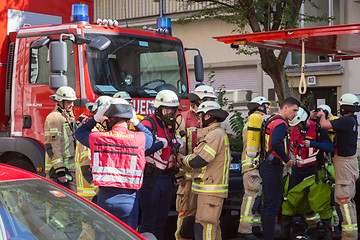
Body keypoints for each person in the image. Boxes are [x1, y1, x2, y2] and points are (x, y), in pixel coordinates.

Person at [75, 97, 154, 230]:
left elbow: (79, 133)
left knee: (102, 236)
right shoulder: (139, 139)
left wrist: (95, 119)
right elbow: (150, 138)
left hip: (105, 199)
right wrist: (136, 122)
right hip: (129, 201)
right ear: (128, 119)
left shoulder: (98, 137)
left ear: (109, 119)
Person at [177, 101, 230, 240]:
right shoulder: (212, 135)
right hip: (207, 190)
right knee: (209, 226)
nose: (198, 120)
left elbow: (199, 159)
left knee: (206, 226)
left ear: (208, 116)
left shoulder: (215, 135)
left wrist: (182, 160)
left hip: (211, 191)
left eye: (200, 116)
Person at [281, 107, 334, 240]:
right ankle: (288, 233)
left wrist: (312, 143)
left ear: (304, 121)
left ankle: (325, 233)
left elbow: (330, 147)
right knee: (290, 200)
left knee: (320, 202)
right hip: (298, 169)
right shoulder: (294, 128)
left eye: (298, 125)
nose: (297, 128)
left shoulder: (317, 129)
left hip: (314, 170)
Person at [175, 85, 217, 240]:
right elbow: (177, 150)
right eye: (209, 100)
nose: (211, 104)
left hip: (205, 179)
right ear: (199, 100)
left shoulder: (208, 120)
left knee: (203, 219)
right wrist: (179, 177)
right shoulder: (183, 119)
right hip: (187, 179)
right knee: (186, 216)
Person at [317, 93, 360, 240]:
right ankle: (350, 233)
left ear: (344, 108)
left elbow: (324, 125)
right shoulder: (351, 120)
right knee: (346, 198)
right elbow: (334, 123)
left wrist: (322, 115)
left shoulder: (347, 120)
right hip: (348, 163)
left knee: (343, 199)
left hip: (344, 164)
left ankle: (349, 236)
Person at [139, 89, 180, 240]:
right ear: (158, 109)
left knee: (162, 221)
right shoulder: (147, 124)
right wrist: (159, 145)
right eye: (167, 109)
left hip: (166, 178)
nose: (171, 113)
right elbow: (140, 150)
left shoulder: (169, 125)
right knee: (149, 221)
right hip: (151, 178)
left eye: (173, 110)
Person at [259, 97, 299, 240]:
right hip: (272, 167)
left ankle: (267, 235)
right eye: (294, 110)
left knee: (268, 205)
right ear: (285, 108)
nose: (295, 114)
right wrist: (287, 159)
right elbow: (276, 142)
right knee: (272, 206)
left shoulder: (272, 119)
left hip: (265, 164)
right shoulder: (281, 124)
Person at [238, 96, 270, 240]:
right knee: (251, 196)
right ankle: (245, 230)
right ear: (260, 107)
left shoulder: (251, 123)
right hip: (254, 166)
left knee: (256, 197)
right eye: (266, 106)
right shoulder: (260, 120)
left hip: (251, 166)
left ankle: (255, 227)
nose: (268, 109)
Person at [75, 96, 112, 202]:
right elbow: (86, 167)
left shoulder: (100, 132)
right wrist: (99, 191)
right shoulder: (92, 134)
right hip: (90, 194)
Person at [45, 86, 78, 191]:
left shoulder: (65, 117)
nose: (72, 105)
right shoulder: (55, 118)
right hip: (61, 172)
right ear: (60, 102)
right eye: (68, 102)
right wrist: (60, 170)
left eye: (72, 102)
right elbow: (53, 146)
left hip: (69, 170)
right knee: (56, 203)